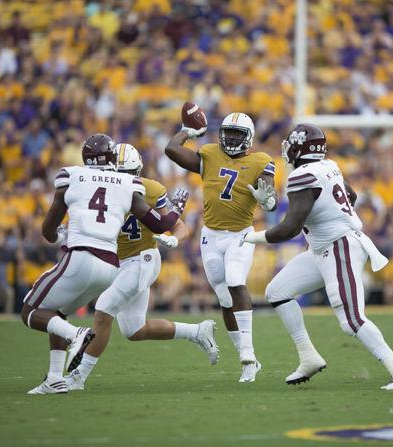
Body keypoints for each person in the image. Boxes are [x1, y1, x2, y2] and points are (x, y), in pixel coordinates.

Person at [241, 124, 393, 390]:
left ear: (299, 147)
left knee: (351, 320)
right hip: (324, 247)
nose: (287, 149)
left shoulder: (301, 176)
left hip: (339, 247)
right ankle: (308, 356)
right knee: (277, 292)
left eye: (291, 144)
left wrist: (250, 236)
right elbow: (352, 195)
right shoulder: (329, 165)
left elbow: (289, 229)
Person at [20, 133, 189, 395]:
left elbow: (48, 229)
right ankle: (55, 378)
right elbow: (160, 224)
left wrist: (58, 236)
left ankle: (76, 336)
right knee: (58, 312)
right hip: (110, 266)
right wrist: (177, 208)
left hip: (81, 256)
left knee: (31, 310)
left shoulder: (72, 175)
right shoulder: (129, 183)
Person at [65, 144, 217, 391]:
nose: (125, 179)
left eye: (129, 173)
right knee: (134, 329)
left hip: (142, 259)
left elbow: (179, 227)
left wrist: (174, 239)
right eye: (120, 172)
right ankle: (198, 331)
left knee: (103, 310)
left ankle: (78, 377)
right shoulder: (103, 188)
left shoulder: (151, 189)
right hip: (118, 262)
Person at [164, 112, 276, 382]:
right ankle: (247, 360)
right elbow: (171, 149)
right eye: (229, 132)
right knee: (225, 299)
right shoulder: (210, 153)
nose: (232, 138)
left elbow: (270, 200)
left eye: (238, 134)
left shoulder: (261, 160)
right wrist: (187, 131)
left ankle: (248, 352)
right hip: (211, 235)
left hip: (241, 233)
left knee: (236, 281)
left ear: (248, 137)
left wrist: (267, 201)